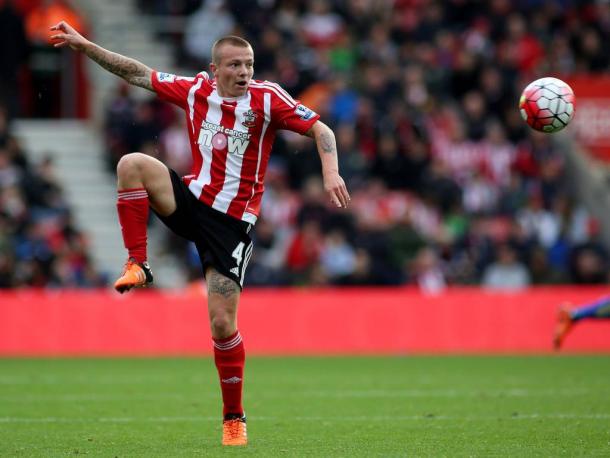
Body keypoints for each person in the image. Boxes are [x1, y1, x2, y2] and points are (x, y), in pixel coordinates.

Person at [50, 21, 350, 446]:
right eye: (234, 65)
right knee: (131, 164)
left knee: (222, 324)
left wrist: (331, 171)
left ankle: (233, 417)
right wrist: (84, 46)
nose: (244, 72)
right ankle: (138, 262)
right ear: (215, 69)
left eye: (248, 64)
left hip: (230, 226)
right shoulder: (196, 91)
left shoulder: (267, 99)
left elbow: (322, 129)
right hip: (190, 201)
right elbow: (136, 72)